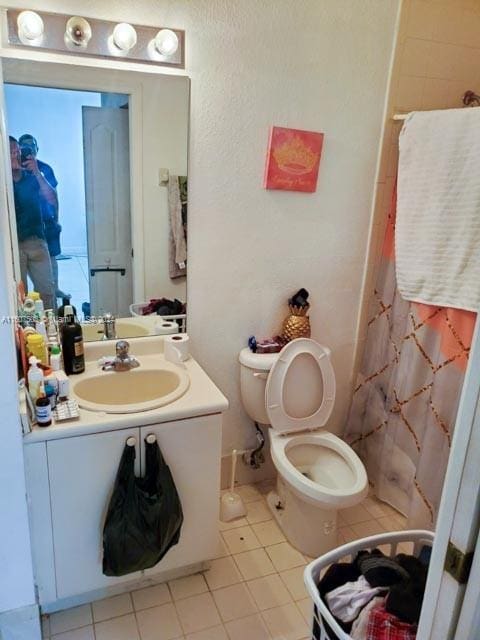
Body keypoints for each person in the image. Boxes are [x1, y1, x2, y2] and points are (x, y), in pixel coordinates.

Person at [19, 133, 70, 300]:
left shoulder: (45, 168)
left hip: (48, 221)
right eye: (24, 147)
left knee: (52, 256)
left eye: (32, 146)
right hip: (27, 225)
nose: (29, 150)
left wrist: (57, 218)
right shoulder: (13, 170)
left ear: (37, 149)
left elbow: (54, 195)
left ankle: (55, 288)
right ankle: (30, 296)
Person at [9, 135, 56, 310]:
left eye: (17, 151)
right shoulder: (4, 181)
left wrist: (37, 173)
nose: (16, 155)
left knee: (47, 292)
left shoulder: (32, 176)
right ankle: (26, 332)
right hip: (13, 247)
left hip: (37, 241)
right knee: (20, 297)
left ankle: (52, 328)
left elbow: (51, 199)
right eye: (11, 152)